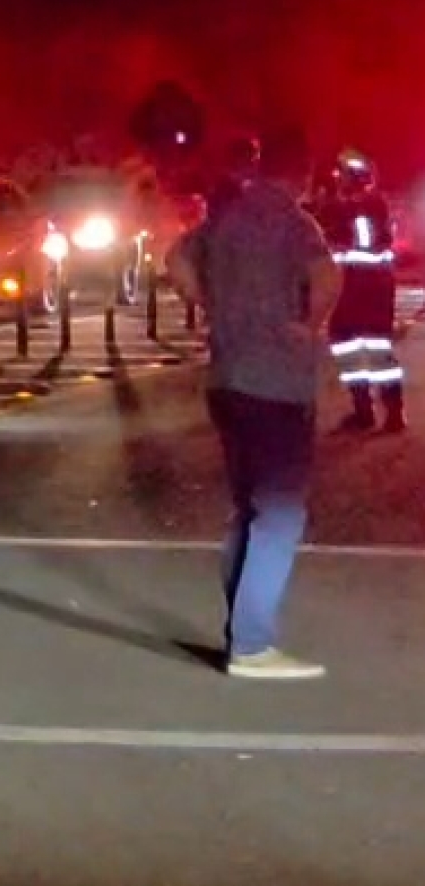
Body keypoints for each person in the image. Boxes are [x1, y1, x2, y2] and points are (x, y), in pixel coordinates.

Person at [167, 127, 342, 680]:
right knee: (281, 515)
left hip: (228, 377)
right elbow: (327, 276)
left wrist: (211, 304)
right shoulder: (296, 224)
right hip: (277, 383)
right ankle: (252, 644)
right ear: (302, 175)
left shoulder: (225, 219)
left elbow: (175, 259)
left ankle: (241, 634)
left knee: (247, 510)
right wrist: (310, 327)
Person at [315, 150, 405, 433]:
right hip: (354, 286)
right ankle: (363, 410)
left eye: (343, 175)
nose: (339, 180)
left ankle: (392, 413)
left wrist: (336, 244)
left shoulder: (368, 206)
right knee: (345, 343)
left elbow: (364, 245)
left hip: (368, 287)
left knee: (376, 348)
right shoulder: (353, 206)